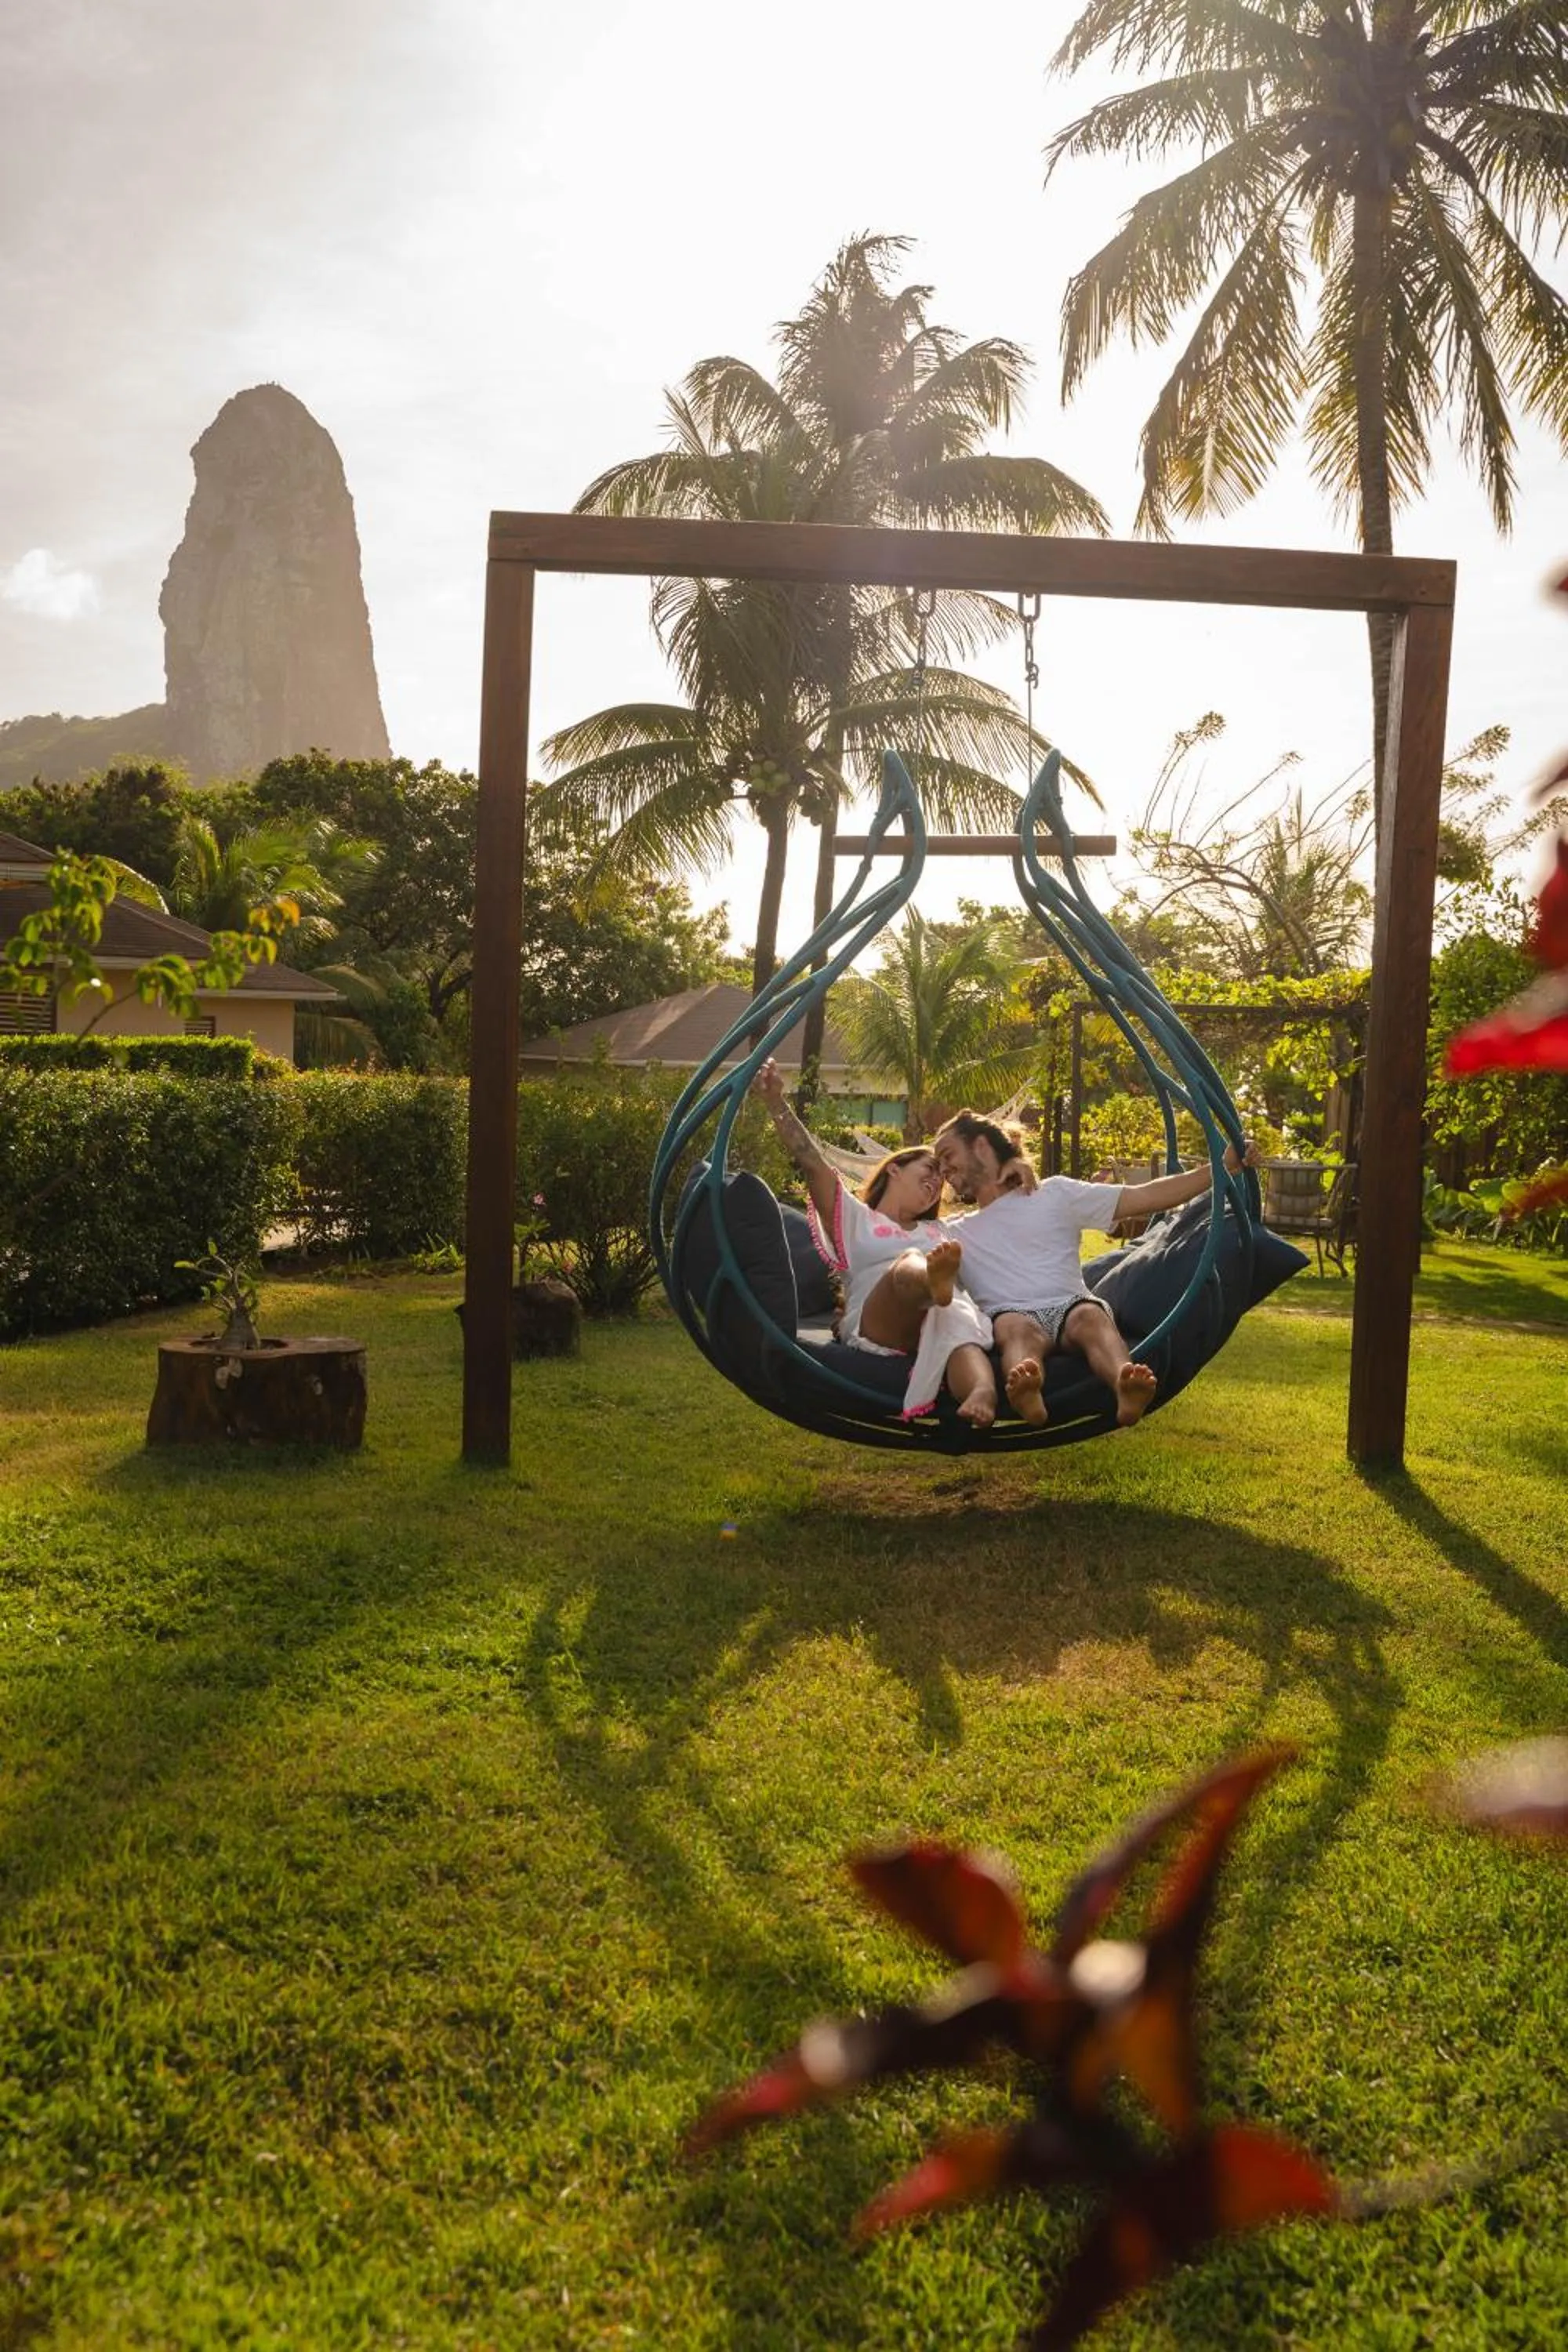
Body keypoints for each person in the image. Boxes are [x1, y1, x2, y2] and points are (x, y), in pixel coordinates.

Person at [931, 1110, 1258, 1428]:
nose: (943, 1169)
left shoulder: (1054, 1194)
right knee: (1015, 1330)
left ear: (981, 1146)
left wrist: (1223, 1166)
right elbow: (901, 1226)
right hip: (1011, 1312)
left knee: (1091, 1317)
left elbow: (1147, 1196)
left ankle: (1124, 1383)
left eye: (948, 1155)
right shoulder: (953, 1231)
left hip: (1070, 1304)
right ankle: (1027, 1388)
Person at [750, 1059, 1000, 1426]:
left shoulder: (944, 1231)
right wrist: (776, 1103)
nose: (937, 1181)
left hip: (936, 1316)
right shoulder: (856, 1219)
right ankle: (930, 1281)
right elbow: (811, 1161)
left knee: (955, 1320)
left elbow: (1004, 1211)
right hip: (880, 1322)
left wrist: (1017, 1168)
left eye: (942, 1181)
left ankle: (982, 1392)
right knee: (911, 1263)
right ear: (895, 1167)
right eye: (929, 1169)